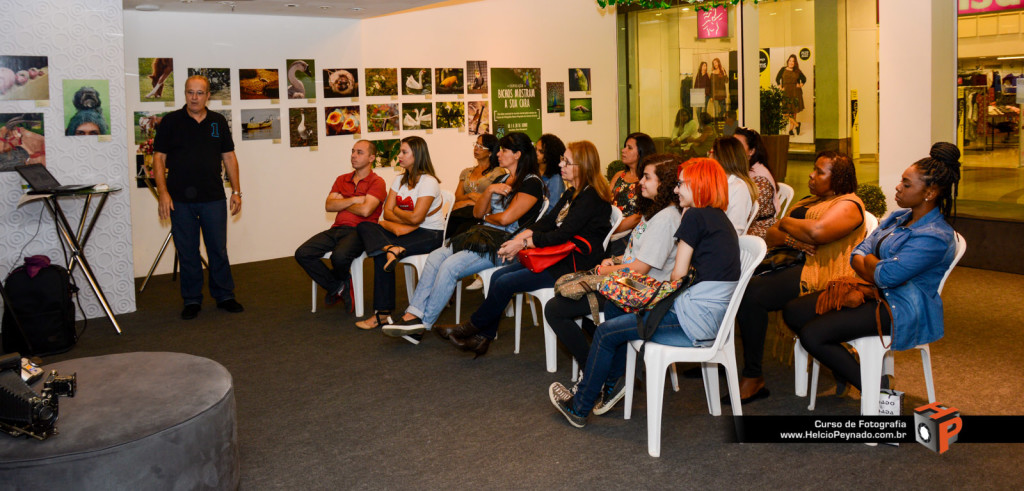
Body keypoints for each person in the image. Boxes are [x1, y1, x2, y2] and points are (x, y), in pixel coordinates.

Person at [548, 158, 742, 427]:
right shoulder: (717, 217)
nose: (676, 190)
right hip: (706, 316)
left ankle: (580, 407)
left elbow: (678, 275)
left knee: (606, 332)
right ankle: (612, 385)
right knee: (617, 309)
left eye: (682, 184)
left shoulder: (694, 216)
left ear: (698, 185)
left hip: (692, 319)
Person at [783, 143, 962, 395]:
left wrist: (871, 263)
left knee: (813, 335)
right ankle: (854, 372)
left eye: (907, 184)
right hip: (873, 292)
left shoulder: (935, 236)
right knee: (794, 311)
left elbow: (886, 275)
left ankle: (876, 389)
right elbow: (858, 252)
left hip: (900, 308)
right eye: (901, 180)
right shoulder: (898, 218)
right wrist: (872, 263)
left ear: (930, 193)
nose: (898, 187)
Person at [435, 140, 613, 357]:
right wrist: (522, 236)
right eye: (562, 160)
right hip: (558, 255)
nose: (561, 165)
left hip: (574, 264)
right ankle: (482, 337)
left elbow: (562, 234)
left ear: (582, 166)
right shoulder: (574, 192)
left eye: (566, 162)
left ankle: (472, 330)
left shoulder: (590, 197)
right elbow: (548, 221)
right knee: (500, 276)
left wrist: (524, 242)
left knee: (505, 282)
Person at [381, 132, 544, 343]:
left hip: (505, 245)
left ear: (518, 155)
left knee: (450, 266)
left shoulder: (532, 183)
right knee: (435, 256)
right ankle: (412, 314)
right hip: (481, 236)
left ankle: (423, 324)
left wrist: (487, 216)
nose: (499, 154)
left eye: (504, 150)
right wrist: (489, 191)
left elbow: (505, 219)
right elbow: (477, 214)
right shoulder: (501, 179)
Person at [735, 151, 865, 404]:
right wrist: (791, 233)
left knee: (752, 296)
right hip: (792, 262)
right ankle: (839, 364)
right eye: (813, 169)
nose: (811, 174)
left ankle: (753, 376)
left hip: (822, 272)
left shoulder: (849, 205)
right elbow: (772, 233)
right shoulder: (808, 201)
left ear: (838, 178)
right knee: (745, 287)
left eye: (819, 171)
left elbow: (818, 233)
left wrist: (786, 225)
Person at [545, 154, 683, 370]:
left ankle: (592, 366)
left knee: (555, 308)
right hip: (628, 281)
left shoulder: (666, 218)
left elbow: (641, 268)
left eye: (647, 177)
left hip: (638, 289)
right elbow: (639, 254)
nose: (641, 182)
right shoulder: (655, 211)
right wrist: (615, 260)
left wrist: (606, 269)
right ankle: (601, 362)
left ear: (664, 183)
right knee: (567, 297)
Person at [152, 75, 243, 320]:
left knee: (218, 249)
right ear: (185, 94)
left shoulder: (218, 121)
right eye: (190, 92)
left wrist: (236, 191)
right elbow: (158, 158)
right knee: (187, 251)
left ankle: (225, 295)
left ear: (207, 95)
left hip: (213, 197)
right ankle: (192, 299)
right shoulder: (171, 122)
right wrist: (163, 192)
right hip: (180, 200)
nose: (194, 97)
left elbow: (229, 157)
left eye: (199, 92)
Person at [354, 136, 444, 329]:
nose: (399, 156)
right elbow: (386, 211)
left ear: (417, 155)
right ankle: (390, 248)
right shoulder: (399, 180)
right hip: (405, 233)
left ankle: (383, 314)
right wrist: (400, 219)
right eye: (400, 152)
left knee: (380, 255)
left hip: (429, 234)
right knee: (364, 226)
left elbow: (416, 219)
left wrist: (396, 214)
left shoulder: (428, 182)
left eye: (404, 152)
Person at [294, 140, 387, 311]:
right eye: (352, 151)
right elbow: (329, 206)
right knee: (303, 253)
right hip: (337, 229)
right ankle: (338, 286)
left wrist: (342, 202)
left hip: (361, 230)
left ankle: (337, 286)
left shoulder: (377, 182)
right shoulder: (342, 179)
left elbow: (366, 210)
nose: (353, 155)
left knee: (339, 257)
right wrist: (354, 199)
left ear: (371, 157)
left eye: (359, 152)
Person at [447, 134, 505, 238]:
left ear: (490, 152)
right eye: (476, 144)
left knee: (459, 234)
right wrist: (470, 197)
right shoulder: (466, 172)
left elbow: (494, 200)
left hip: (481, 215)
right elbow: (457, 197)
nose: (476, 148)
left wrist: (469, 203)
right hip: (462, 213)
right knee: (447, 228)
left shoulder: (497, 172)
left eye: (481, 146)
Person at [607, 132, 656, 256]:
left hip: (631, 234)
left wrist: (611, 230)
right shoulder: (619, 175)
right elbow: (606, 202)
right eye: (624, 146)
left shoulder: (647, 180)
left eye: (629, 148)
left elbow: (639, 217)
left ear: (641, 152)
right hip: (611, 228)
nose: (623, 150)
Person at [734, 127, 780, 238]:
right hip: (746, 224)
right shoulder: (742, 170)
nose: (733, 149)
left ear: (751, 151)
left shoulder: (760, 179)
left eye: (738, 146)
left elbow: (748, 216)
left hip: (760, 228)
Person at [710, 137, 757, 235]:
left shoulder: (738, 188)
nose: (708, 157)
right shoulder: (718, 182)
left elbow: (735, 230)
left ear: (722, 157)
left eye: (710, 152)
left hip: (722, 243)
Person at [775, 54, 807, 135]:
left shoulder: (797, 71)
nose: (791, 62)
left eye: (793, 61)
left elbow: (804, 79)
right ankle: (797, 124)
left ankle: (791, 130)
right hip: (786, 92)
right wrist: (780, 87)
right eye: (790, 61)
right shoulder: (783, 69)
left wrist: (800, 85)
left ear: (795, 63)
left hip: (795, 92)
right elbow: (777, 78)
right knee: (786, 112)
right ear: (788, 61)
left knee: (793, 111)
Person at [536, 133, 567, 210]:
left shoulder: (555, 180)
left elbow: (551, 210)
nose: (536, 153)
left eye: (541, 151)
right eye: (535, 149)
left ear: (550, 155)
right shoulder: (531, 171)